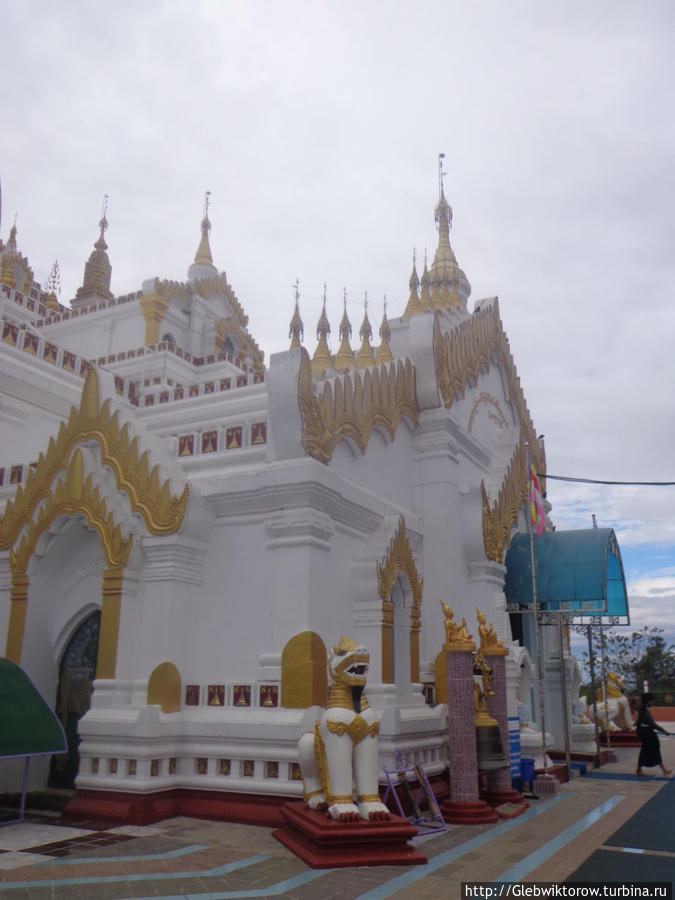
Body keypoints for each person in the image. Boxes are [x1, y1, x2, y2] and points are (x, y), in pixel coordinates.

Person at [635, 692, 672, 777]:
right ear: (649, 701)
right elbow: (651, 723)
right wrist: (663, 730)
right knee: (652, 749)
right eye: (652, 701)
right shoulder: (644, 709)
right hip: (647, 732)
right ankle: (663, 770)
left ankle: (663, 770)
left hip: (644, 732)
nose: (653, 703)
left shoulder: (643, 708)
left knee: (647, 750)